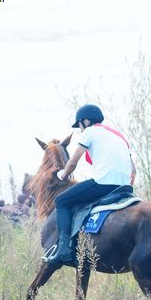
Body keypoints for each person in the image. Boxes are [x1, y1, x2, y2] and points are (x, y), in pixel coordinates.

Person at [45, 104, 136, 264]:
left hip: (103, 184)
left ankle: (63, 249)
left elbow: (73, 162)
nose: (80, 130)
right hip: (125, 188)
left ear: (85, 121)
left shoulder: (90, 132)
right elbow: (133, 170)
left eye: (79, 126)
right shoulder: (119, 136)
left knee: (61, 201)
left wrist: (63, 175)